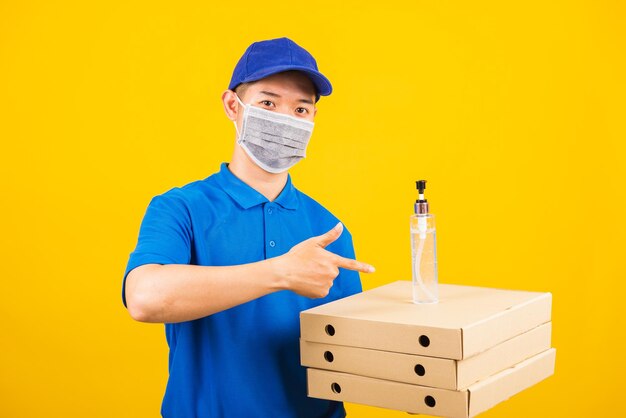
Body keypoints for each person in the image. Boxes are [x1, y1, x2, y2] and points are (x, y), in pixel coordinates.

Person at [122, 37, 375, 418]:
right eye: (268, 103)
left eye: (301, 108)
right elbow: (144, 298)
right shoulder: (182, 208)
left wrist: (416, 379)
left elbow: (346, 357)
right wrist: (280, 273)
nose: (286, 119)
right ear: (232, 106)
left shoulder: (329, 229)